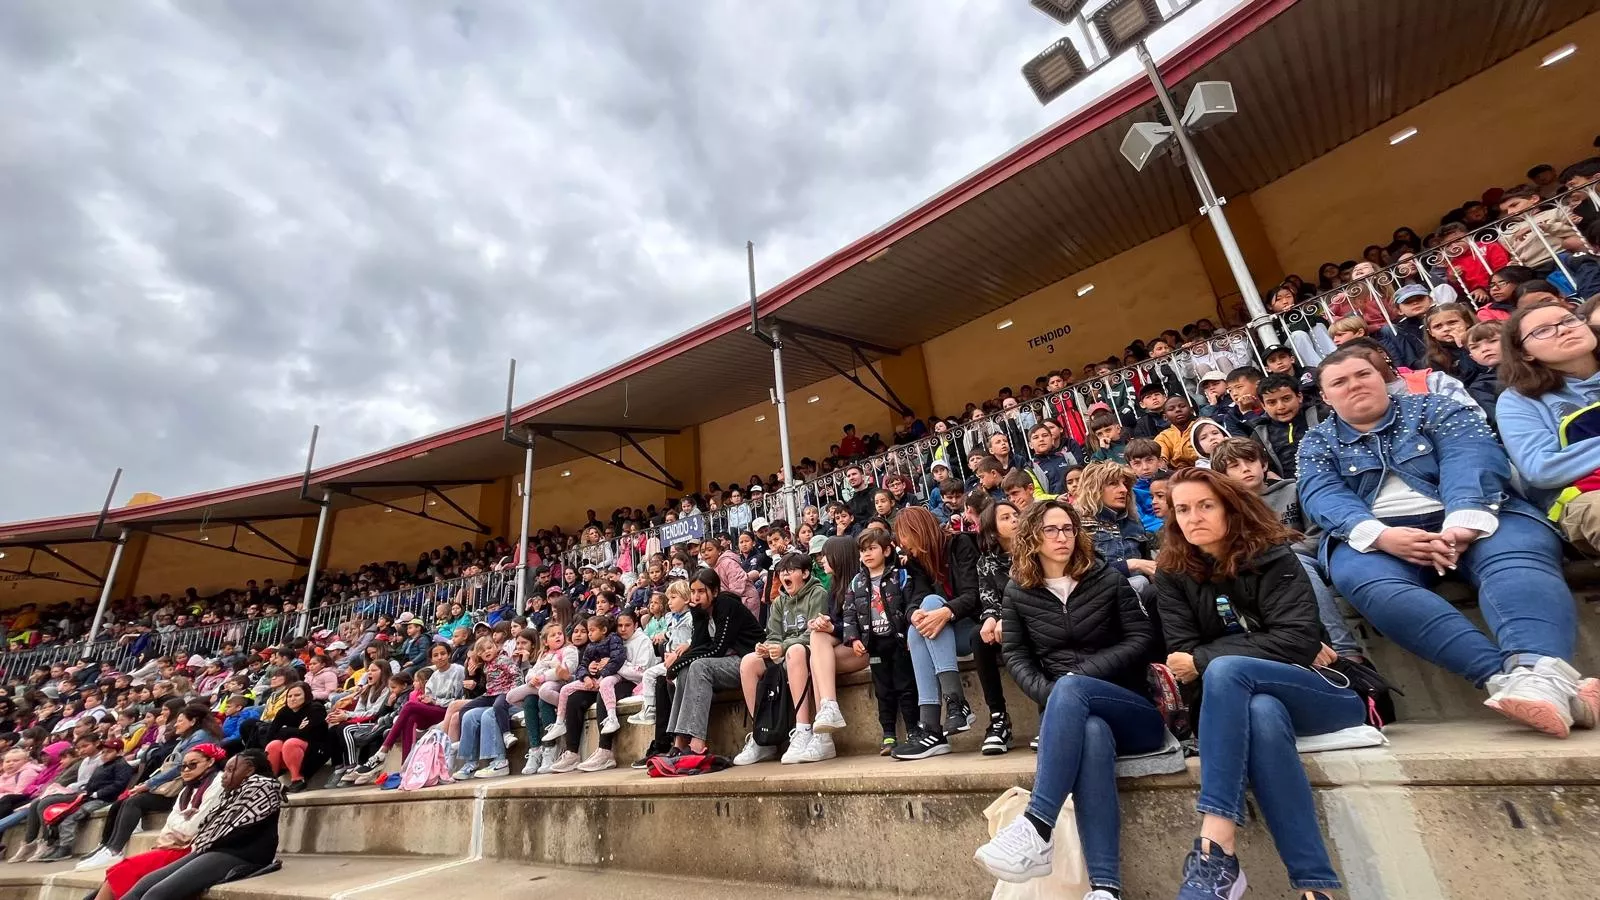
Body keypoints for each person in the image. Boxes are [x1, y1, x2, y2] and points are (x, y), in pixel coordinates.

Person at [1298, 345, 1598, 736]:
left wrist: (1461, 522)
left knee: (1515, 559)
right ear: (1325, 396)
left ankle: (1535, 671)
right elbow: (1322, 495)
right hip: (1382, 534)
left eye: (1363, 374)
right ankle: (1512, 680)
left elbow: (1471, 458)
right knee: (1367, 582)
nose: (1354, 385)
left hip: (1474, 513)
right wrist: (1382, 536)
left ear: (1383, 378)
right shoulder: (1316, 442)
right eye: (1340, 382)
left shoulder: (1436, 408)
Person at [1157, 467, 1362, 900]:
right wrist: (1229, 653)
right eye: (1183, 509)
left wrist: (1209, 655)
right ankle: (1315, 888)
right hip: (1246, 702)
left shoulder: (1272, 555)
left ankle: (1216, 847)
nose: (1193, 517)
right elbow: (1179, 656)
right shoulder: (1172, 574)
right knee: (1262, 715)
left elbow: (1298, 640)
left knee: (1227, 669)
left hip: (1320, 691)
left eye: (1205, 505)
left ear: (1231, 508)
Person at [973, 499, 1162, 893]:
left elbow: (1141, 638)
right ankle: (1106, 888)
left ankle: (1037, 825)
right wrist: (1053, 694)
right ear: (1031, 538)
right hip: (1075, 718)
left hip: (1131, 707)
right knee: (1091, 735)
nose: (1062, 537)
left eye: (1069, 529)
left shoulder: (1104, 577)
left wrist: (1075, 680)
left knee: (1074, 690)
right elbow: (1016, 656)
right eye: (1051, 530)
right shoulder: (1018, 592)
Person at [1497, 301, 1600, 555]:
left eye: (1569, 320)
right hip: (1585, 496)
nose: (1564, 330)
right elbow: (1541, 468)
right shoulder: (1518, 400)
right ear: (1525, 353)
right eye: (1542, 330)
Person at [116, 750, 282, 900]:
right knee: (144, 884)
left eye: (231, 770)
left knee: (156, 894)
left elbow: (227, 829)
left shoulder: (262, 786)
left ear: (250, 769)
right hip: (212, 848)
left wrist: (204, 828)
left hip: (241, 853)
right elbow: (211, 826)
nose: (224, 775)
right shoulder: (234, 792)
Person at [643, 568, 763, 764]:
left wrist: (678, 662)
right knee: (685, 671)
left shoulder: (726, 605)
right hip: (724, 662)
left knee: (698, 666)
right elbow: (700, 645)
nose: (696, 596)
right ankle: (679, 742)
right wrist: (697, 615)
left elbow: (717, 649)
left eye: (701, 591)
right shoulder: (701, 611)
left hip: (748, 659)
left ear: (714, 591)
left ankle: (697, 745)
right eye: (693, 591)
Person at [732, 552, 831, 765]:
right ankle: (761, 737)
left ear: (805, 573)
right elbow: (773, 634)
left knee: (795, 650)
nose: (785, 575)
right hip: (783, 654)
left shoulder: (818, 594)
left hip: (808, 652)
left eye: (791, 570)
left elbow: (813, 633)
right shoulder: (779, 601)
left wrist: (783, 646)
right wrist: (766, 647)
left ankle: (803, 729)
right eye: (782, 571)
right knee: (749, 661)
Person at [78, 743, 227, 880]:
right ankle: (109, 847)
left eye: (193, 765)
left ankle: (114, 850)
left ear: (210, 762)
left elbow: (191, 829)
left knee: (122, 875)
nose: (186, 770)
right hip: (173, 845)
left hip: (192, 849)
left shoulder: (218, 783)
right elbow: (169, 825)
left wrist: (179, 821)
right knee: (115, 874)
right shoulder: (187, 789)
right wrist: (183, 818)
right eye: (183, 766)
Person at [837, 530, 917, 755]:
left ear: (886, 550)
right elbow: (849, 612)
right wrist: (853, 639)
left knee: (906, 686)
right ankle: (888, 733)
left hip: (898, 641)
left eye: (872, 548)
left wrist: (910, 632)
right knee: (883, 690)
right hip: (874, 644)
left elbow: (910, 604)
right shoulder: (857, 581)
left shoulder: (899, 575)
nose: (867, 554)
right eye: (863, 550)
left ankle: (913, 730)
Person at [32, 740, 134, 862]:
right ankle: (56, 844)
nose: (105, 755)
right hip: (90, 797)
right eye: (103, 752)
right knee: (60, 815)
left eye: (109, 752)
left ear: (120, 752)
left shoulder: (122, 766)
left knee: (69, 819)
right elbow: (92, 783)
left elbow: (119, 785)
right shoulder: (103, 766)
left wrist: (98, 793)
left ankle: (65, 848)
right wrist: (86, 791)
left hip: (105, 799)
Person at [1071, 462, 1157, 605]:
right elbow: (1079, 573)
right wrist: (1130, 564)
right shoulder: (1077, 525)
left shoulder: (1133, 522)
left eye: (1125, 485)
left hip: (1142, 595)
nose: (1123, 490)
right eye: (1113, 484)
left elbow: (1147, 562)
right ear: (1094, 489)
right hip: (1098, 598)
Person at [972, 501, 1019, 755]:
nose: (1014, 520)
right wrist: (990, 618)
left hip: (1036, 617)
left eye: (1015, 515)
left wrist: (1007, 618)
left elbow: (1034, 593)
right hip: (1005, 622)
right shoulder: (985, 562)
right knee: (978, 638)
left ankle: (1047, 711)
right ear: (992, 529)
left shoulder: (1033, 551)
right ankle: (999, 717)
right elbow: (988, 597)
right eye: (1005, 517)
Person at [1251, 373, 1323, 478]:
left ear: (1299, 397)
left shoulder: (1321, 415)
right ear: (1263, 406)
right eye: (1272, 402)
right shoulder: (1260, 435)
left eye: (1286, 399)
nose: (1280, 407)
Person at [260, 683, 327, 792]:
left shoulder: (315, 708)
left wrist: (285, 730)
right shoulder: (284, 711)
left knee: (291, 743)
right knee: (274, 745)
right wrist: (294, 730)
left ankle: (298, 779)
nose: (292, 699)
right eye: (289, 696)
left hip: (315, 749)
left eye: (297, 695)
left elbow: (308, 734)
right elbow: (270, 735)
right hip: (290, 751)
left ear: (306, 695)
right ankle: (270, 780)